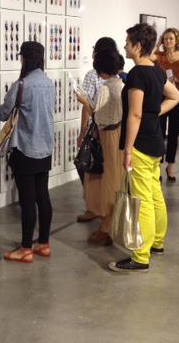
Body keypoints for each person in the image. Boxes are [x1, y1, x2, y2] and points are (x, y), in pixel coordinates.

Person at [108, 24, 179, 273]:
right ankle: (157, 242)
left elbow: (135, 114)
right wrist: (155, 113)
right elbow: (175, 96)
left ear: (138, 46)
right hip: (155, 141)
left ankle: (141, 255)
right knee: (154, 193)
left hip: (140, 143)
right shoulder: (157, 71)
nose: (125, 46)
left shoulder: (138, 73)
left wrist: (128, 149)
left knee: (143, 199)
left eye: (128, 42)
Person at [0, 42, 55, 263]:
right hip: (45, 147)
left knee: (27, 200)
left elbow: (3, 114)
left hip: (24, 148)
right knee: (43, 196)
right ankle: (44, 243)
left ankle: (25, 248)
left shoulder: (21, 85)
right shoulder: (49, 83)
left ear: (24, 58)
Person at [75, 49, 125, 245]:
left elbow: (97, 115)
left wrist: (84, 101)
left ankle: (106, 227)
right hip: (118, 134)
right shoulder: (121, 84)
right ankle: (112, 223)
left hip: (107, 136)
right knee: (116, 179)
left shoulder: (106, 88)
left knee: (108, 181)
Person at [154, 27, 179, 181]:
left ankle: (171, 165)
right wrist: (157, 45)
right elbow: (148, 57)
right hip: (161, 97)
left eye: (171, 39)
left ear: (177, 41)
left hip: (177, 98)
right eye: (165, 38)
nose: (168, 41)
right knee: (160, 132)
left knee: (174, 133)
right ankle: (158, 165)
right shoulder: (159, 56)